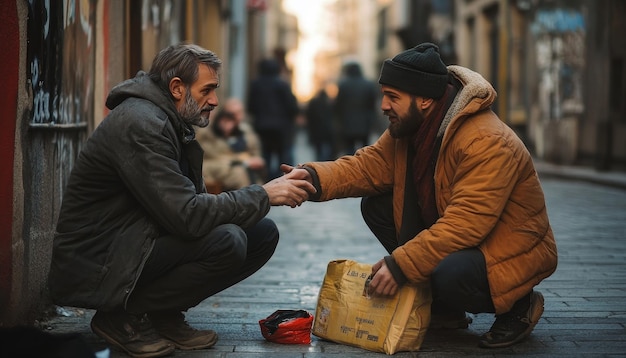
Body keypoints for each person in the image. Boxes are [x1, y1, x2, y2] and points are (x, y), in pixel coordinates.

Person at [283, 43, 558, 349]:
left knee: (451, 274)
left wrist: (401, 266)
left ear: (425, 100)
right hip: (464, 240)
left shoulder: (486, 140)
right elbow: (368, 166)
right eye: (384, 95)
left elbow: (466, 223)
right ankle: (444, 306)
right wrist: (312, 178)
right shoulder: (411, 127)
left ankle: (519, 305)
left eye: (393, 97)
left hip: (506, 249)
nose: (384, 105)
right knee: (378, 205)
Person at [48, 43, 315, 358]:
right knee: (228, 241)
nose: (214, 101)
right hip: (100, 260)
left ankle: (163, 313)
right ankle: (121, 316)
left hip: (135, 241)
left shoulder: (167, 120)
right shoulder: (142, 123)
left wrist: (260, 198)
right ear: (177, 88)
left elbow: (188, 206)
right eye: (207, 90)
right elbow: (187, 216)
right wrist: (263, 193)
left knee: (261, 233)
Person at [196, 97, 266, 192]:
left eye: (239, 113)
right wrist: (244, 161)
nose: (236, 117)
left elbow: (255, 152)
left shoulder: (246, 131)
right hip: (220, 169)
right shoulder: (209, 132)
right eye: (232, 113)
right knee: (239, 173)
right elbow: (214, 155)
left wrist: (255, 160)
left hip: (244, 170)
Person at [247, 58, 299, 180]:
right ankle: (280, 179)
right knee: (283, 156)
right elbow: (292, 106)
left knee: (265, 155)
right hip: (282, 128)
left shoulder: (256, 84)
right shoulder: (282, 84)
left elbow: (251, 106)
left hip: (262, 127)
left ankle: (267, 180)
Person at [333, 61, 379, 155]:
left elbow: (338, 105)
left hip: (347, 124)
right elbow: (372, 104)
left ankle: (351, 168)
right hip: (365, 123)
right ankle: (364, 168)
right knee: (365, 150)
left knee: (349, 150)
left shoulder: (343, 85)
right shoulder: (368, 84)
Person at [305, 87, 335, 161]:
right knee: (328, 149)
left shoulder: (313, 102)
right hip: (328, 129)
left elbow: (309, 116)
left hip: (316, 130)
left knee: (318, 150)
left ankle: (319, 164)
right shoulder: (329, 103)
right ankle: (327, 163)